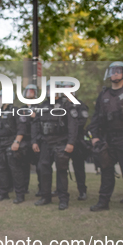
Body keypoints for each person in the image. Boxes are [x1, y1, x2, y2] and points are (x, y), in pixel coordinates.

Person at [87, 61, 123, 217]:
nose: (115, 74)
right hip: (107, 139)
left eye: (119, 71)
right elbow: (95, 118)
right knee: (106, 171)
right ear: (109, 74)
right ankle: (103, 202)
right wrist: (95, 137)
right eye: (113, 71)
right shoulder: (104, 94)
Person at [32, 81, 78, 209]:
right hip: (45, 144)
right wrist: (34, 141)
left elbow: (73, 126)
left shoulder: (66, 105)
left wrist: (70, 143)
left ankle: (63, 199)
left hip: (61, 143)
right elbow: (35, 125)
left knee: (62, 171)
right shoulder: (42, 106)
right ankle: (46, 197)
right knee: (43, 170)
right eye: (48, 89)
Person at [0, 97, 29, 204]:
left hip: (12, 142)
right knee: (1, 170)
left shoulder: (16, 111)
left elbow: (22, 129)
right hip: (0, 144)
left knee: (15, 169)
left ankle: (20, 195)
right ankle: (3, 193)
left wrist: (16, 142)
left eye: (1, 97)